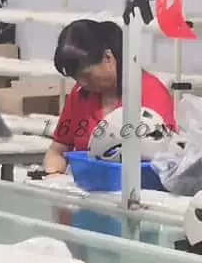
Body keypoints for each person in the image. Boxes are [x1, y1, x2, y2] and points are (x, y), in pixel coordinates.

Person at [43, 17, 173, 175]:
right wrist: (54, 175)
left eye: (87, 75)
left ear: (108, 58)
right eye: (76, 78)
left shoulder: (151, 93)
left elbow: (161, 159)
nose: (82, 83)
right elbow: (57, 150)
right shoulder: (80, 95)